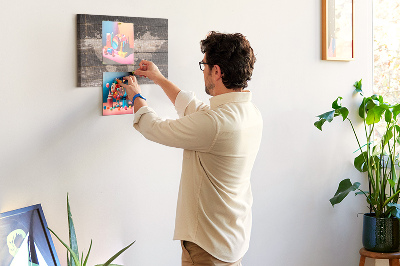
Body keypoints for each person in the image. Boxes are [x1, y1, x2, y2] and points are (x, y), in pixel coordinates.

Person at [118, 31, 263, 266]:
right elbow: (194, 109)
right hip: (231, 240)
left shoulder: (216, 124)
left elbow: (153, 127)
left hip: (207, 248)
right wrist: (158, 78)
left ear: (217, 71)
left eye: (203, 65)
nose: (203, 71)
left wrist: (135, 94)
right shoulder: (250, 113)